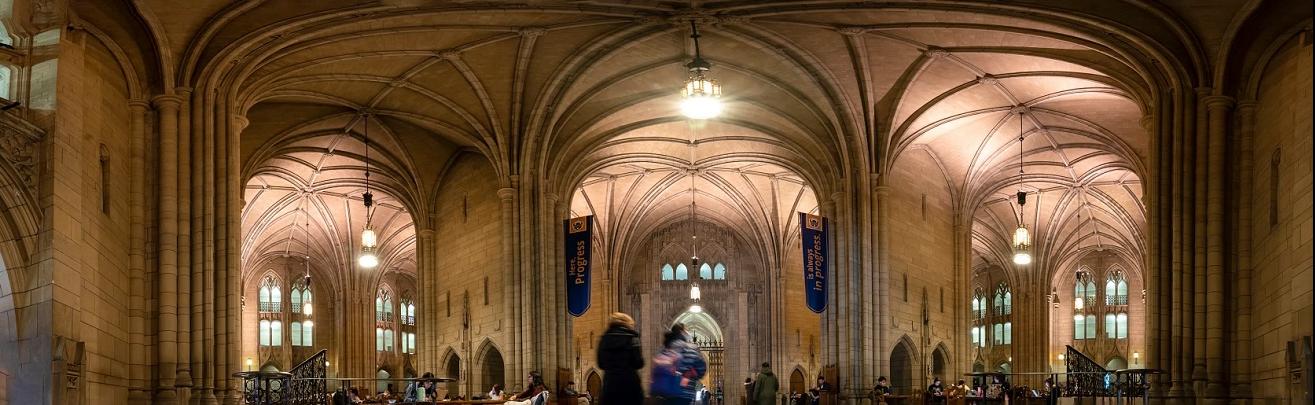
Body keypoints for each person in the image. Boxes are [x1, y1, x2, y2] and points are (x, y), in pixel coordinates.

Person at [649, 323, 708, 405]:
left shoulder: (663, 349)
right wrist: (691, 373)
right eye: (686, 330)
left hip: (662, 391)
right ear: (682, 332)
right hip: (684, 393)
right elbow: (702, 369)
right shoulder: (691, 349)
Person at [597, 312, 644, 405]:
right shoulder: (632, 338)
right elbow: (638, 363)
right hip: (629, 383)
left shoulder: (604, 339)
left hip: (610, 383)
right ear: (627, 323)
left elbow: (601, 363)